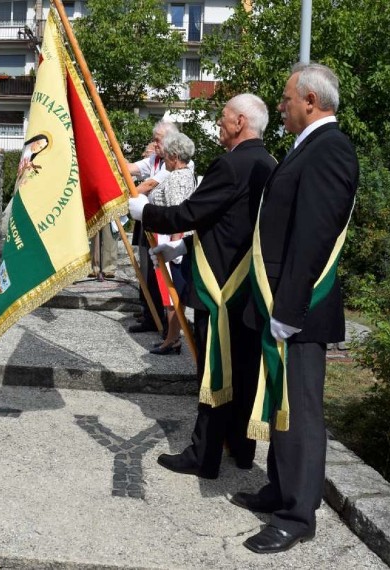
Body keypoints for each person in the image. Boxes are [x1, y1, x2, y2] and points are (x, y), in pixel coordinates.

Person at [231, 63, 359, 554]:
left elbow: (313, 236)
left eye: (286, 99)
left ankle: (297, 515)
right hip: (282, 301)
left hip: (299, 308)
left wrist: (290, 307)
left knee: (301, 410)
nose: (280, 106)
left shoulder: (331, 149)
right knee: (282, 402)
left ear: (309, 99)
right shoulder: (307, 146)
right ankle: (280, 489)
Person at [128, 94, 276, 480]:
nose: (219, 125)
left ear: (241, 122)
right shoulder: (269, 163)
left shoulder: (230, 165)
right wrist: (182, 245)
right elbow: (232, 224)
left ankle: (204, 455)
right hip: (249, 289)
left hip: (220, 287)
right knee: (243, 371)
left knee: (213, 372)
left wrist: (146, 213)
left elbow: (193, 212)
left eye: (224, 118)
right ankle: (241, 449)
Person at [144, 130, 197, 354]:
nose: (163, 159)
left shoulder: (176, 178)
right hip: (172, 240)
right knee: (174, 295)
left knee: (173, 294)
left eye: (166, 156)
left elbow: (178, 216)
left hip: (174, 243)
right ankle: (171, 337)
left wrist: (175, 249)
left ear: (175, 157)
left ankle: (173, 339)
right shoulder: (184, 175)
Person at [126, 121, 178, 334]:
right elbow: (132, 168)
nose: (155, 144)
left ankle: (167, 325)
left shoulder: (176, 162)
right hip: (148, 221)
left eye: (158, 140)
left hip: (166, 227)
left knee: (164, 277)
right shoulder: (156, 160)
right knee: (147, 273)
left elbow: (148, 185)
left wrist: (127, 195)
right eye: (155, 139)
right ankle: (150, 316)